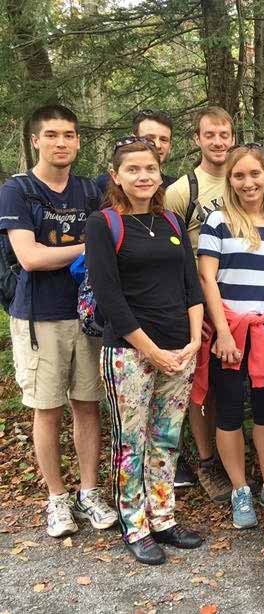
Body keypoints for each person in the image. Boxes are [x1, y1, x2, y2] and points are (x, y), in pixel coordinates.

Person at [0, 104, 117, 538]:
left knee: (87, 406)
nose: (61, 142)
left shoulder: (88, 190)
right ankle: (56, 499)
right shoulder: (18, 190)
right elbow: (30, 258)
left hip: (88, 317)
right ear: (35, 140)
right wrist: (89, 247)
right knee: (46, 410)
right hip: (39, 318)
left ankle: (89, 492)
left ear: (78, 141)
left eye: (69, 134)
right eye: (51, 135)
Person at [86, 138, 205, 564]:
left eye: (150, 169)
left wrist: (193, 340)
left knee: (166, 439)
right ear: (116, 176)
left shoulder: (171, 221)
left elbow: (192, 286)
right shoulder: (104, 224)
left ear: (160, 174)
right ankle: (134, 524)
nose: (143, 177)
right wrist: (151, 350)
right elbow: (110, 298)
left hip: (179, 349)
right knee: (130, 441)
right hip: (130, 353)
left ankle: (164, 517)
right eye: (133, 169)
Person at [195, 144, 264, 529]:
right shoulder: (218, 221)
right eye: (239, 176)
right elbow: (207, 277)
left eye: (254, 174)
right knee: (227, 411)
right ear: (230, 181)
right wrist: (222, 332)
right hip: (231, 331)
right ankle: (240, 488)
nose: (248, 182)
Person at [164, 106, 236, 503]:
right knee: (201, 385)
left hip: (244, 298)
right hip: (198, 301)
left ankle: (236, 457)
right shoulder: (182, 190)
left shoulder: (245, 178)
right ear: (198, 139)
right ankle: (208, 461)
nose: (218, 142)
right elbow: (170, 248)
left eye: (224, 134)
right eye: (210, 135)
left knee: (238, 381)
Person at [95, 109, 177, 193]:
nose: (157, 145)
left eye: (163, 140)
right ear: (133, 140)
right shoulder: (104, 185)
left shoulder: (177, 188)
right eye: (149, 138)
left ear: (170, 146)